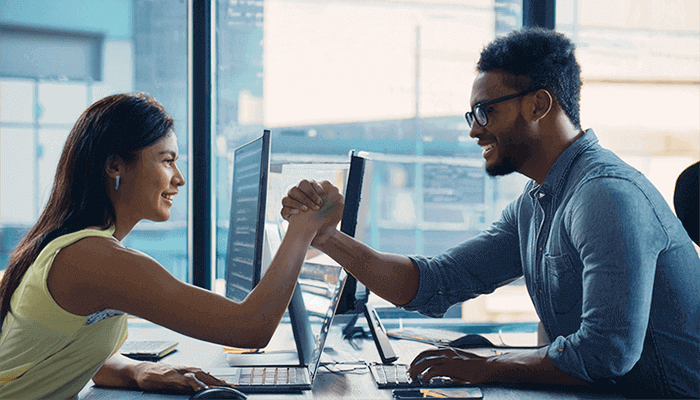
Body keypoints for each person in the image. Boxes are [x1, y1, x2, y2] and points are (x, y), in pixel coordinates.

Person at [281, 28, 700, 399]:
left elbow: (604, 354)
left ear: (538, 105)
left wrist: (484, 366)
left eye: (486, 111)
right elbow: (435, 283)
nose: (474, 129)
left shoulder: (606, 196)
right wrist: (326, 237)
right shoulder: (536, 204)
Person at [0, 93, 343, 398]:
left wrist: (138, 371)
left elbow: (68, 352)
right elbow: (250, 327)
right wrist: (303, 228)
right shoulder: (94, 259)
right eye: (167, 160)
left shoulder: (74, 247)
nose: (179, 178)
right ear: (114, 165)